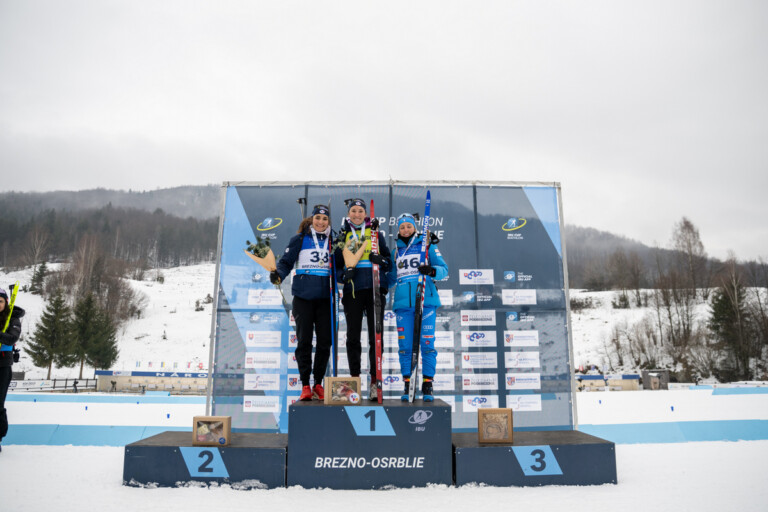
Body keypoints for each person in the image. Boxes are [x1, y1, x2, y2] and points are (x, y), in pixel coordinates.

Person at [271, 205, 333, 401]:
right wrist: (278, 275)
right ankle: (305, 384)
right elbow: (285, 262)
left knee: (325, 343)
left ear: (329, 221)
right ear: (311, 219)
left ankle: (318, 384)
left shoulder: (334, 241)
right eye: (318, 218)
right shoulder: (299, 239)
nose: (321, 222)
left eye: (324, 219)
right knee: (304, 341)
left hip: (326, 299)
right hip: (303, 298)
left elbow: (341, 265)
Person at [334, 199, 392, 401]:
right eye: (353, 211)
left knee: (376, 338)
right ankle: (355, 381)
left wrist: (381, 261)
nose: (357, 214)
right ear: (348, 214)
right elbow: (336, 265)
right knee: (352, 337)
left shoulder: (375, 233)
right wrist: (344, 276)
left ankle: (375, 382)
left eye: (360, 211)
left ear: (365, 214)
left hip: (375, 288)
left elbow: (389, 262)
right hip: (353, 290)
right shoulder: (343, 235)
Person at [388, 214, 448, 401]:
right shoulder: (396, 252)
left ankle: (428, 385)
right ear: (398, 230)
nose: (405, 230)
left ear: (414, 228)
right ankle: (408, 384)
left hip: (425, 301)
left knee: (427, 345)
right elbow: (391, 278)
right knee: (405, 347)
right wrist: (377, 277)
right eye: (402, 227)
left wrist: (431, 270)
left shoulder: (427, 245)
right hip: (403, 305)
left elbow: (443, 269)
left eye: (409, 226)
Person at [0, 286, 25, 453]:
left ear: (6, 302)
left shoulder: (13, 319)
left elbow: (12, 338)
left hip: (2, 366)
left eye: (0, 301)